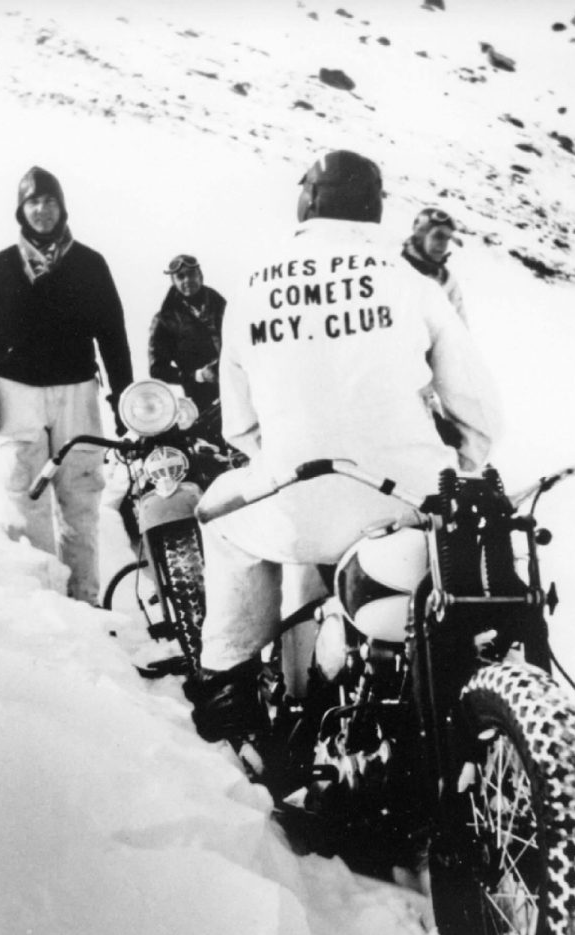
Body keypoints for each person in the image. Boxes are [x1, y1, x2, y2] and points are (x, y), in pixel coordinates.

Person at [187, 149, 501, 754]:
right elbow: (479, 414)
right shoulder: (411, 282)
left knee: (222, 520)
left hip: (297, 501)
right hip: (407, 504)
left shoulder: (253, 287)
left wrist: (290, 457)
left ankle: (230, 677)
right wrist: (463, 463)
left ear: (307, 200)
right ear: (375, 210)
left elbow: (240, 427)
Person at [0, 165, 133, 605]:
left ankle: (86, 600)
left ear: (62, 208)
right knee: (25, 496)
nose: (42, 210)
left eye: (50, 201)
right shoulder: (1, 267)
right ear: (21, 210)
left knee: (80, 497)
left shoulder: (90, 265)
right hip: (17, 393)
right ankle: (45, 604)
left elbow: (112, 334)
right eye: (33, 202)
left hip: (77, 392)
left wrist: (123, 395)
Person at [148, 255, 227, 441]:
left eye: (191, 274)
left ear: (200, 275)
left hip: (237, 390)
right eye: (180, 277)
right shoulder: (165, 320)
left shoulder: (222, 306)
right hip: (203, 404)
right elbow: (157, 369)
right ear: (173, 281)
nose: (187, 281)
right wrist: (198, 375)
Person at [401, 206, 468, 324]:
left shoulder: (447, 281)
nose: (443, 245)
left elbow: (461, 330)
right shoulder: (393, 267)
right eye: (438, 236)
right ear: (420, 237)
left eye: (447, 238)